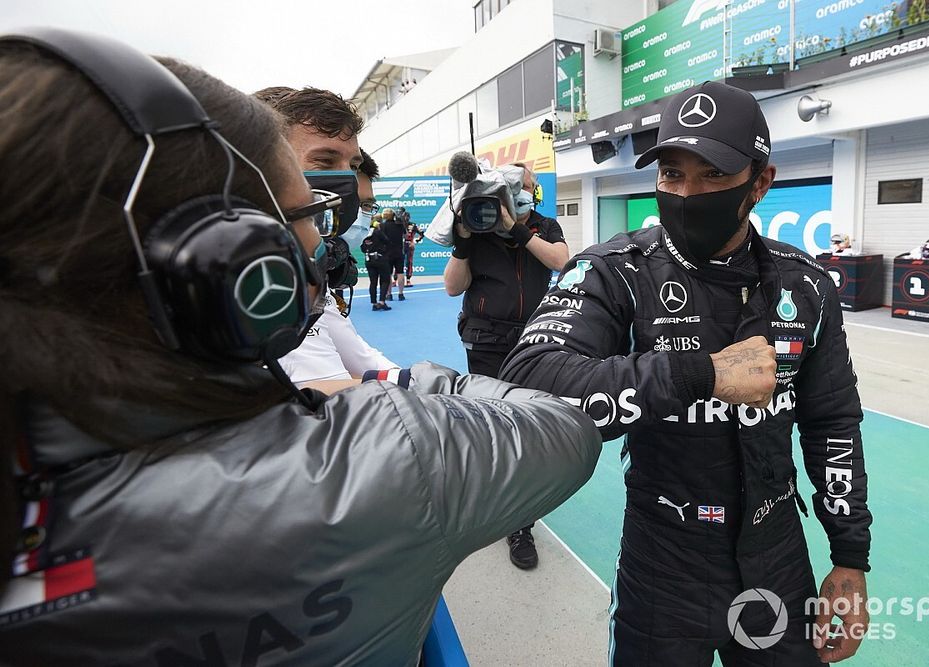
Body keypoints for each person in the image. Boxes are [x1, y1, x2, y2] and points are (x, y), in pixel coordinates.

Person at [0, 30, 603, 666]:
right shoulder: (383, 455)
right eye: (300, 212)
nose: (315, 239)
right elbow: (561, 431)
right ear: (224, 264)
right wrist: (389, 398)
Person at [501, 81, 872, 665]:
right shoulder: (615, 270)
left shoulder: (807, 284)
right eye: (672, 174)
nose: (686, 193)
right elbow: (529, 380)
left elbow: (833, 421)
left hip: (776, 553)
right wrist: (700, 375)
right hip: (663, 555)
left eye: (712, 175)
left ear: (761, 182)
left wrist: (850, 557)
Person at [443, 163, 569, 569]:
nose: (521, 193)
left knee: (528, 428)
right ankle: (484, 502)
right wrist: (463, 244)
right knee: (486, 425)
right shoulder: (476, 230)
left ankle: (519, 522)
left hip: (533, 341)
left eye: (526, 187)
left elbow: (560, 261)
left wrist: (518, 230)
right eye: (513, 187)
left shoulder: (545, 226)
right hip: (484, 340)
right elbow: (452, 286)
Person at [255, 87, 397, 390]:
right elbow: (321, 399)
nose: (346, 183)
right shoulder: (266, 278)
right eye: (324, 162)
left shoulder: (315, 271)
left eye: (353, 167)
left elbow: (363, 363)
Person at [363, 217, 393, 310]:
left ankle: (374, 303)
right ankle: (382, 301)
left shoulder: (363, 234)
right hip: (380, 258)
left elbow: (362, 248)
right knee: (385, 280)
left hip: (369, 259)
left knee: (373, 282)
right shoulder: (377, 232)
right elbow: (387, 241)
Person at [380, 207, 409, 301]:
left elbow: (380, 239)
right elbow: (406, 235)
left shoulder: (382, 225)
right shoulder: (399, 225)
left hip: (387, 253)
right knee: (400, 273)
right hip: (399, 252)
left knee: (388, 274)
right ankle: (401, 294)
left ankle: (389, 294)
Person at [403, 218, 425, 286]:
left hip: (409, 245)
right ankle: (395, 280)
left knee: (409, 262)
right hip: (399, 245)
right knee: (398, 262)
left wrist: (415, 241)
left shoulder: (413, 225)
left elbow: (422, 233)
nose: (405, 218)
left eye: (406, 217)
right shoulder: (397, 224)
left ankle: (408, 280)